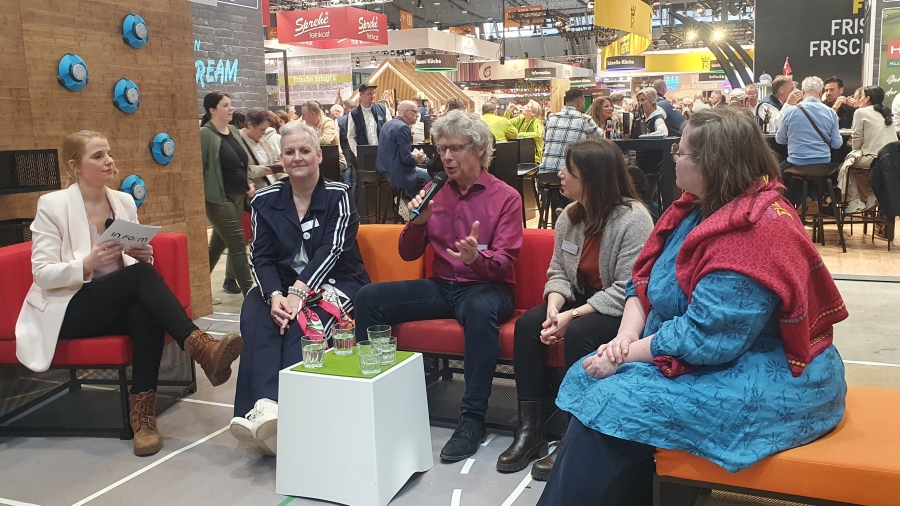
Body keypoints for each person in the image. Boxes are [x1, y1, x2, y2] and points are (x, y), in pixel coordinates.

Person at [537, 107, 848, 506]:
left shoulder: (756, 230)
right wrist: (625, 337)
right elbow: (641, 280)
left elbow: (709, 336)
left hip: (766, 367)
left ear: (712, 165)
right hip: (703, 348)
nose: (673, 157)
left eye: (682, 152)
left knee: (615, 398)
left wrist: (624, 355)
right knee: (600, 384)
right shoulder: (693, 208)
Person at [17, 130, 243, 456]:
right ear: (74, 165)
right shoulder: (52, 205)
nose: (109, 161)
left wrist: (143, 254)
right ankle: (198, 344)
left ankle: (144, 418)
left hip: (116, 299)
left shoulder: (122, 200)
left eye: (108, 153)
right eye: (97, 156)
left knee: (144, 309)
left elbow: (135, 257)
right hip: (68, 308)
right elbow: (42, 274)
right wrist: (87, 263)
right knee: (139, 281)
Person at [354, 110, 523, 462]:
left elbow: (505, 263)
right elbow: (406, 251)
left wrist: (476, 258)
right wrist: (418, 224)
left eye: (456, 148)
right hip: (442, 286)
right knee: (369, 298)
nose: (446, 157)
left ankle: (473, 419)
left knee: (479, 310)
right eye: (441, 148)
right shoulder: (433, 193)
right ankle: (373, 395)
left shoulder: (506, 197)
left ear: (479, 150)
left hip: (487, 288)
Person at [497, 138, 653, 479]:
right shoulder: (570, 215)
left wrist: (571, 316)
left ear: (593, 177)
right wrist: (555, 307)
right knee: (528, 326)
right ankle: (530, 429)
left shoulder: (634, 218)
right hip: (578, 301)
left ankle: (574, 435)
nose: (560, 175)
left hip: (619, 311)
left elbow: (630, 288)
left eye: (570, 170)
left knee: (581, 332)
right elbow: (558, 273)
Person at [232, 121, 370, 456]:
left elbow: (333, 251)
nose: (297, 158)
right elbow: (260, 256)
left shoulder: (339, 195)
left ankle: (292, 414)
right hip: (279, 287)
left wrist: (297, 293)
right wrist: (275, 295)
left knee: (302, 322)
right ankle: (265, 408)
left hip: (336, 282)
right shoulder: (264, 200)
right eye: (290, 152)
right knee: (256, 314)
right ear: (281, 157)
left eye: (305, 150)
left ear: (319, 155)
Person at [219, 108, 283, 295]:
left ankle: (237, 277)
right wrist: (259, 171)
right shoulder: (237, 141)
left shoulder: (262, 141)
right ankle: (235, 279)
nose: (263, 133)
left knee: (248, 239)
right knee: (241, 239)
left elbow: (273, 162)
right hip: (247, 197)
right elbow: (238, 170)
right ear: (249, 125)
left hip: (267, 194)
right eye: (261, 129)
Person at [200, 92, 254, 297]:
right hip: (218, 198)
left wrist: (248, 180)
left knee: (217, 245)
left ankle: (195, 287)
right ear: (212, 110)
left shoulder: (232, 130)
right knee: (238, 243)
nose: (230, 109)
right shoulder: (205, 134)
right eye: (225, 105)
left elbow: (243, 160)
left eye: (230, 105)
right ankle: (251, 294)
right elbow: (201, 169)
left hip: (239, 195)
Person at [776, 76, 843, 209]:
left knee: (777, 174)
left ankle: (798, 203)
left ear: (802, 92)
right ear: (820, 93)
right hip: (823, 163)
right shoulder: (831, 113)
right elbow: (837, 144)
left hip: (797, 161)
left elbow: (780, 139)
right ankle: (811, 200)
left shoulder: (791, 111)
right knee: (810, 173)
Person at [840, 86, 898, 213]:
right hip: (893, 158)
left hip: (876, 158)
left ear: (867, 98)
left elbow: (857, 137)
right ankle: (870, 195)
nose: (858, 100)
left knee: (848, 164)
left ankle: (856, 200)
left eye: (860, 97)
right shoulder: (885, 111)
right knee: (858, 165)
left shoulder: (861, 112)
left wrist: (855, 151)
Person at [540, 89, 602, 174]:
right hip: (570, 174)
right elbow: (602, 138)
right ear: (580, 103)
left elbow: (544, 140)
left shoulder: (551, 117)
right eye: (584, 103)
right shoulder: (584, 119)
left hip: (545, 173)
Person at [377, 100, 429, 200]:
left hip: (385, 171)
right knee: (430, 176)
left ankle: (407, 200)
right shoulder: (403, 128)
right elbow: (406, 159)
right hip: (398, 172)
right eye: (415, 112)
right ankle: (414, 205)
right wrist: (417, 159)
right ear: (405, 112)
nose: (418, 115)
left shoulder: (387, 124)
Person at [300, 101, 351, 190]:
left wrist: (306, 142)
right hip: (319, 162)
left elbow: (326, 140)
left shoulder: (328, 122)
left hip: (336, 161)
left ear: (312, 114)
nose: (302, 118)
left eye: (304, 115)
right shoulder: (308, 126)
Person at [348, 84, 391, 158]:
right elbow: (351, 136)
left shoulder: (382, 109)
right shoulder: (354, 114)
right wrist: (357, 153)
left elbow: (391, 130)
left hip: (383, 152)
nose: (372, 96)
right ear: (361, 95)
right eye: (369, 94)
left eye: (373, 93)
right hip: (365, 154)